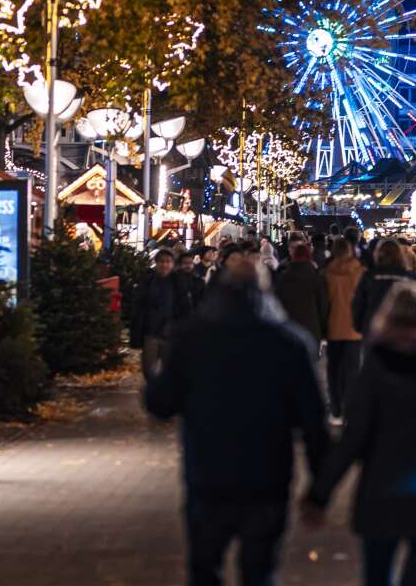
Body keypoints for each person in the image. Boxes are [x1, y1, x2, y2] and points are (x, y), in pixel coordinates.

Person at [144, 255, 330, 586]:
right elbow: (314, 420)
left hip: (207, 474)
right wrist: (319, 491)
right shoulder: (289, 341)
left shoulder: (191, 337)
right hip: (268, 477)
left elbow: (161, 404)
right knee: (260, 571)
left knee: (204, 569)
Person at [304, 283, 416, 586]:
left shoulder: (374, 368)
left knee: (378, 575)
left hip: (381, 492)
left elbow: (354, 438)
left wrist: (319, 494)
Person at [322, 237, 366, 420]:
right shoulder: (361, 272)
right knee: (353, 370)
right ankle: (351, 407)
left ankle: (336, 406)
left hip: (332, 328)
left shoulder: (325, 273)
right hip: (355, 329)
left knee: (333, 369)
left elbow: (323, 302)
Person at [130, 249, 190, 377]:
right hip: (151, 331)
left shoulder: (178, 282)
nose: (164, 265)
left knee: (170, 369)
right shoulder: (148, 281)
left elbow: (185, 307)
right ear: (156, 263)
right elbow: (139, 306)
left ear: (173, 264)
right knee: (148, 368)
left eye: (168, 262)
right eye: (161, 262)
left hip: (170, 332)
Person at [352, 239, 413, 337]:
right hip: (402, 332)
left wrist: (359, 326)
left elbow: (358, 303)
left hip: (373, 329)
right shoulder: (408, 278)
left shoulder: (369, 277)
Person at [274, 240, 330, 345]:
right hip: (312, 327)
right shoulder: (317, 279)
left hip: (289, 328)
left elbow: (277, 303)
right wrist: (324, 329)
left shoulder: (283, 278)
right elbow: (323, 305)